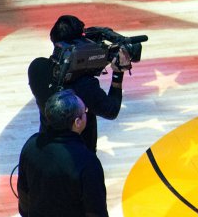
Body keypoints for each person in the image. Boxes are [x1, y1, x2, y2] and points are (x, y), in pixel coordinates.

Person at [18, 89, 117, 217]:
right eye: (85, 112)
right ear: (77, 122)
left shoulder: (31, 145)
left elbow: (24, 194)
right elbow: (95, 212)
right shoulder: (87, 162)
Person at [28, 15, 131, 152]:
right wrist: (118, 73)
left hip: (45, 149)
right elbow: (111, 110)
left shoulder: (37, 68)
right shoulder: (85, 84)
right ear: (77, 44)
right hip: (79, 156)